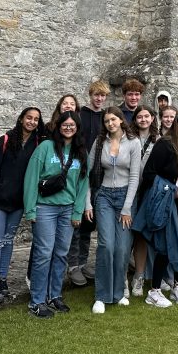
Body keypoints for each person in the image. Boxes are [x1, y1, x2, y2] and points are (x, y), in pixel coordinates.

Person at [23, 110, 89, 318]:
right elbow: (31, 178)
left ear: (77, 127)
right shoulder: (45, 148)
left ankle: (54, 295)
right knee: (43, 253)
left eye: (72, 125)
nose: (68, 128)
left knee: (61, 254)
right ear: (58, 126)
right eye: (65, 124)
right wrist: (30, 208)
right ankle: (37, 300)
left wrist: (78, 211)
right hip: (45, 209)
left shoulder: (80, 151)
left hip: (68, 209)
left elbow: (82, 184)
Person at [135, 111, 178, 307]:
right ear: (175, 127)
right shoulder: (165, 145)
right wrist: (171, 189)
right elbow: (150, 174)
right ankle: (154, 291)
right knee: (165, 245)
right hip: (164, 199)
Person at [0, 106, 44, 303]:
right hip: (0, 201)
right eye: (29, 118)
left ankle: (2, 279)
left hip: (19, 203)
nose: (32, 122)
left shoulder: (37, 144)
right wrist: (0, 188)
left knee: (9, 241)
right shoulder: (6, 140)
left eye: (36, 119)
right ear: (21, 119)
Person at [86, 108, 141, 313]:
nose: (110, 123)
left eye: (114, 119)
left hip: (126, 197)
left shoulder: (134, 142)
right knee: (106, 245)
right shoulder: (100, 142)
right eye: (107, 120)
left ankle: (118, 293)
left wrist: (127, 208)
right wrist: (87, 203)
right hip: (105, 197)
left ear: (121, 120)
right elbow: (87, 173)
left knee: (122, 248)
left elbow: (135, 176)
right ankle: (101, 296)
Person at [70, 81, 110, 288]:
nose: (99, 99)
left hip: (100, 175)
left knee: (89, 222)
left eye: (103, 96)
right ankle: (73, 265)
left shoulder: (106, 118)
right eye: (96, 95)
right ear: (90, 95)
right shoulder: (81, 116)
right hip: (81, 171)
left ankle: (84, 263)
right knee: (77, 220)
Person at [129, 106, 160, 297]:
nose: (143, 119)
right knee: (127, 238)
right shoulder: (128, 138)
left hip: (150, 192)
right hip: (131, 192)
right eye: (139, 117)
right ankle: (127, 276)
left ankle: (140, 276)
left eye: (146, 116)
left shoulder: (158, 140)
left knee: (143, 235)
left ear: (152, 118)